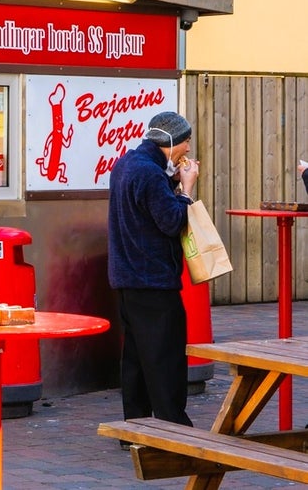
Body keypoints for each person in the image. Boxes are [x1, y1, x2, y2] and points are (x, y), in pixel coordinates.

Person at [107, 111, 199, 436]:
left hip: (127, 278)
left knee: (136, 357)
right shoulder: (148, 174)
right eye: (186, 140)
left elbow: (145, 208)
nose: (188, 147)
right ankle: (174, 428)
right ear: (171, 141)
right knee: (165, 358)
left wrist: (171, 180)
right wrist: (186, 188)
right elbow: (172, 221)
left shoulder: (126, 164)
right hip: (153, 280)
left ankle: (136, 427)